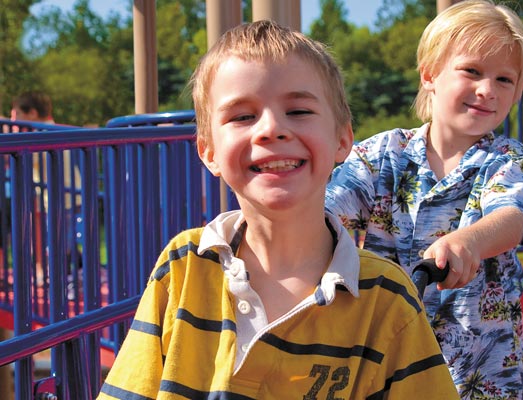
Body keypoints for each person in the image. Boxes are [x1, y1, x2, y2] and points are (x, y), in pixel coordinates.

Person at [98, 20, 458, 399]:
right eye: (242, 116)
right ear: (208, 152)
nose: (271, 129)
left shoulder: (386, 299)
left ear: (342, 139)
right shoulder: (183, 268)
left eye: (299, 111)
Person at [325, 1, 523, 398]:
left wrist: (467, 242)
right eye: (472, 71)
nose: (487, 90)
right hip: (391, 356)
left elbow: (509, 217)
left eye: (504, 80)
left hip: (483, 366)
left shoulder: (508, 159)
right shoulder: (380, 155)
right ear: (430, 75)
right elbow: (332, 207)